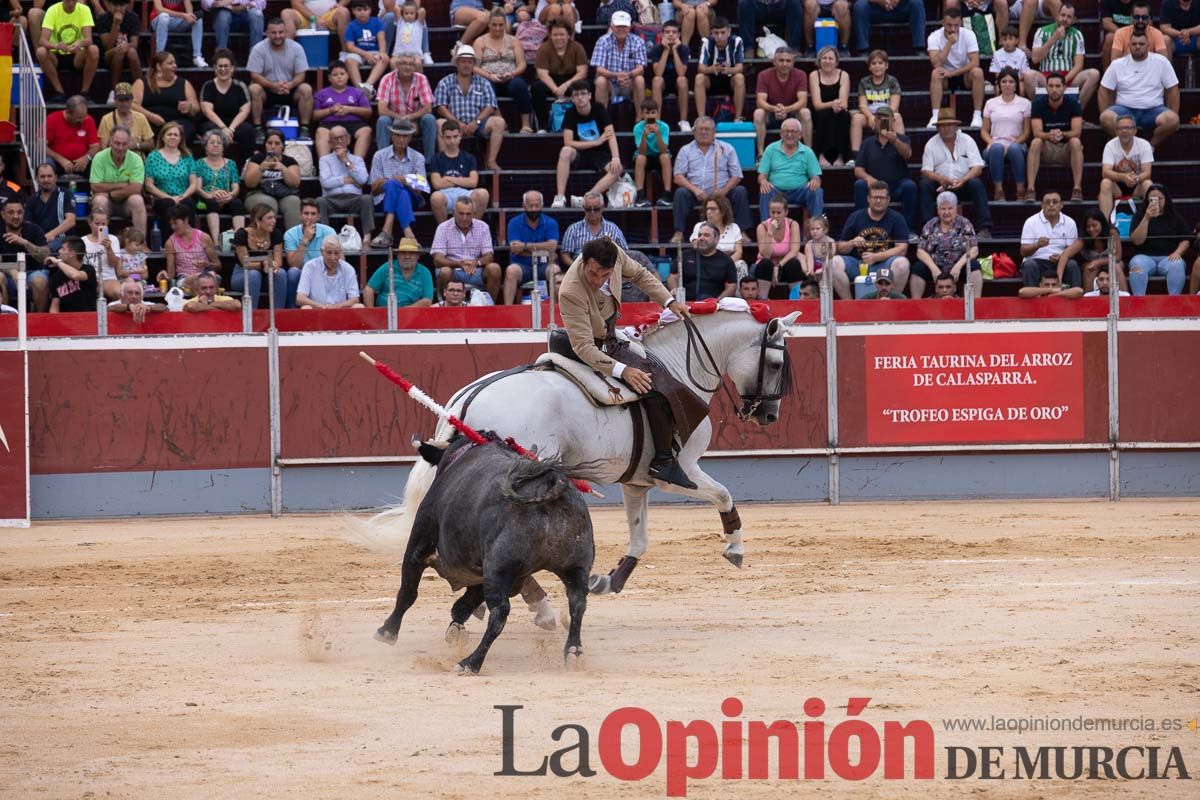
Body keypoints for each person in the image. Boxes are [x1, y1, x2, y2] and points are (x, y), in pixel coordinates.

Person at [557, 237, 695, 487]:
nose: (597, 279)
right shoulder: (570, 290)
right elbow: (583, 346)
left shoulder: (616, 253)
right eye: (592, 272)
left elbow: (641, 276)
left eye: (604, 274)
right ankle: (662, 462)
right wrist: (624, 371)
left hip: (609, 338)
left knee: (660, 373)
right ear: (584, 261)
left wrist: (669, 301)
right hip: (593, 348)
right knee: (652, 386)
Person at [670, 116, 753, 244]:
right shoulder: (685, 150)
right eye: (700, 129)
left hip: (721, 194)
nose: (704, 132)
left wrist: (724, 191)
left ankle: (742, 233)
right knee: (680, 193)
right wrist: (695, 190)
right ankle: (678, 233)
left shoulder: (726, 148)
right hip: (696, 193)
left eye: (707, 129)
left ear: (714, 132)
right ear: (694, 132)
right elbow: (678, 176)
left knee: (740, 191)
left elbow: (737, 175)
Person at [1098, 31, 1180, 147]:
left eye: (1141, 44)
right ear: (1129, 46)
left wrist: (1173, 112)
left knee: (1173, 120)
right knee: (1105, 117)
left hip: (1154, 110)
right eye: (1134, 44)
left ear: (1148, 45)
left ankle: (1150, 147)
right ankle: (1131, 147)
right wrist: (1105, 110)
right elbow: (1103, 90)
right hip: (1124, 110)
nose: (1137, 47)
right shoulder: (1117, 64)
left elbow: (1173, 89)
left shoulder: (1161, 62)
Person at [831, 180, 911, 299]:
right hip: (858, 264)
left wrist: (876, 257)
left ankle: (892, 301)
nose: (878, 201)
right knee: (833, 263)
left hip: (884, 265)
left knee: (903, 264)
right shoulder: (856, 217)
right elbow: (841, 247)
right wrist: (852, 242)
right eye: (875, 197)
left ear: (888, 199)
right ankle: (849, 304)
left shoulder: (897, 218)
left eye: (882, 197)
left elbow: (902, 249)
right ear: (868, 198)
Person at [919, 108, 992, 239]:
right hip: (941, 186)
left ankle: (984, 228)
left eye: (949, 125)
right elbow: (925, 170)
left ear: (955, 126)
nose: (946, 128)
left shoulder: (967, 140)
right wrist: (940, 178)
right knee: (925, 184)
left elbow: (977, 167)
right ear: (938, 128)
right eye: (943, 125)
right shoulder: (931, 144)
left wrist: (963, 179)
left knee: (976, 184)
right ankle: (928, 229)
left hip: (963, 184)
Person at [433, 45, 506, 171]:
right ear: (457, 63)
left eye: (469, 62)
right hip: (454, 123)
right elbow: (440, 107)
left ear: (473, 64)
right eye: (463, 61)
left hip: (478, 123)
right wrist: (456, 122)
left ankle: (491, 161)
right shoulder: (445, 82)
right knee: (439, 123)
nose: (466, 65)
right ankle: (445, 163)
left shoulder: (483, 82)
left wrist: (476, 122)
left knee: (499, 122)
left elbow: (491, 105)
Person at [551, 80, 622, 208]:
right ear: (572, 98)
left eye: (583, 94)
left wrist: (615, 157)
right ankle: (560, 198)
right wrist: (596, 142)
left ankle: (587, 198)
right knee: (565, 151)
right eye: (576, 95)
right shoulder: (570, 113)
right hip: (580, 154)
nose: (580, 98)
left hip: (600, 154)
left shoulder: (599, 109)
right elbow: (568, 142)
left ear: (590, 95)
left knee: (617, 168)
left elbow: (610, 134)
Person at [247, 17, 314, 140]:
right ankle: (258, 128)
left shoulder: (296, 47)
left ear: (286, 32)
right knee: (254, 88)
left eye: (281, 32)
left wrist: (290, 85)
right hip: (267, 90)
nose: (278, 36)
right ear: (267, 33)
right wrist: (274, 86)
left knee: (306, 89)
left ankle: (304, 128)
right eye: (273, 33)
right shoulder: (258, 48)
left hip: (290, 89)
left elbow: (301, 75)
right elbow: (255, 75)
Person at [1026, 2, 1100, 110]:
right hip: (1046, 77)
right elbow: (1035, 59)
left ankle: (1077, 113)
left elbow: (1079, 65)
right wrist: (1053, 39)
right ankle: (1040, 112)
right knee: (1029, 75)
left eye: (1069, 17)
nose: (1065, 19)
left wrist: (1063, 80)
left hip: (1068, 77)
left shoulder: (1077, 34)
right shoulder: (1041, 31)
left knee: (1094, 74)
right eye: (1063, 15)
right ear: (1057, 15)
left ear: (1074, 19)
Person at [852, 106, 915, 230]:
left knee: (910, 186)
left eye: (886, 118)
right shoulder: (867, 143)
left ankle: (908, 229)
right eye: (879, 118)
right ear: (875, 121)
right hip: (874, 186)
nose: (882, 121)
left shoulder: (902, 139)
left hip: (896, 186)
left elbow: (908, 154)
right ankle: (860, 228)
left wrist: (895, 141)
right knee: (860, 185)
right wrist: (868, 178)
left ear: (893, 121)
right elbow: (858, 169)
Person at [368, 119, 427, 248]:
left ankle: (386, 231)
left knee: (400, 188)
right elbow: (374, 188)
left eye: (405, 136)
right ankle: (410, 235)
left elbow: (420, 189)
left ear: (410, 137)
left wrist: (404, 180)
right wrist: (392, 182)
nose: (401, 139)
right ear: (392, 136)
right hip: (383, 199)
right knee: (398, 190)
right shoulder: (379, 156)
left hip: (413, 199)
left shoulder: (418, 157)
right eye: (398, 135)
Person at [1025, 73, 1083, 202]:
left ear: (1064, 88)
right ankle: (1030, 189)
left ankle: (1077, 188)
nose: (1054, 90)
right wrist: (1049, 135)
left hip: (1066, 149)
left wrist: (1062, 134)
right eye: (1051, 86)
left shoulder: (1073, 103)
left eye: (1058, 86)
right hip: (1047, 148)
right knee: (1035, 142)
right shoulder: (1038, 103)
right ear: (1046, 87)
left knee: (1075, 141)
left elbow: (1077, 131)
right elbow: (1037, 132)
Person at [474, 8, 534, 133]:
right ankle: (501, 122)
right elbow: (475, 67)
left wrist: (512, 73)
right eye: (494, 25)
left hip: (510, 77)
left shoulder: (513, 41)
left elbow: (522, 64)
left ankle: (526, 124)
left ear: (505, 24)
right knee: (485, 86)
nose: (497, 28)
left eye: (501, 25)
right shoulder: (480, 42)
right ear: (489, 24)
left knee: (520, 84)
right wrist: (489, 76)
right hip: (489, 78)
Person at [430, 195, 501, 300]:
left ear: (474, 214)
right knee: (445, 271)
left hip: (476, 270)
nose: (465, 218)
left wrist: (476, 262)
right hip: (453, 270)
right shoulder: (443, 228)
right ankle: (444, 306)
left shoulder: (483, 227)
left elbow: (489, 257)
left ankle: (489, 307)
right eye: (461, 213)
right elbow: (437, 260)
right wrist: (458, 263)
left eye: (468, 214)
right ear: (454, 212)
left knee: (494, 269)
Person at [915, 191, 981, 299]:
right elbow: (920, 251)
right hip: (935, 265)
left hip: (958, 265)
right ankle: (915, 305)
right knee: (918, 268)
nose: (946, 212)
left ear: (956, 209)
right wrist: (933, 268)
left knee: (974, 266)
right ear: (938, 210)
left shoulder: (965, 223)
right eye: (943, 209)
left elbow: (974, 249)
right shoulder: (930, 225)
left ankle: (975, 304)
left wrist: (958, 266)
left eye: (950, 208)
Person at [927, 7, 984, 130]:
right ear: (943, 23)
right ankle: (935, 116)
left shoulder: (969, 34)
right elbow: (936, 63)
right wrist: (949, 44)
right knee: (935, 73)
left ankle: (977, 116)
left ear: (961, 23)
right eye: (949, 25)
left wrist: (953, 73)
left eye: (956, 25)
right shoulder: (934, 37)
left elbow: (975, 62)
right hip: (944, 76)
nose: (953, 29)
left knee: (978, 72)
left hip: (964, 74)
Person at [1128, 184, 1189, 295]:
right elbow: (1137, 240)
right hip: (1144, 257)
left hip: (1168, 257)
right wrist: (1146, 218)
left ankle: (1174, 302)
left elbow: (1185, 238)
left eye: (1159, 199)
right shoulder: (1140, 216)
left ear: (1165, 199)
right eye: (1151, 199)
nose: (1156, 202)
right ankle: (1138, 302)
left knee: (1178, 265)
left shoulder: (1174, 216)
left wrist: (1178, 252)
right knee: (1136, 266)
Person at [233, 204, 299, 308]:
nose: (274, 221)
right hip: (243, 275)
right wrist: (263, 263)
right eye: (269, 218)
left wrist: (271, 265)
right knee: (254, 274)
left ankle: (278, 315)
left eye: (274, 218)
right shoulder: (241, 235)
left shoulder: (276, 234)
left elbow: (278, 262)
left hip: (267, 275)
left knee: (280, 273)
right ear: (257, 220)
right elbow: (245, 263)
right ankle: (251, 316)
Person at [757, 117, 823, 220]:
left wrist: (815, 181)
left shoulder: (807, 152)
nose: (789, 134)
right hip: (776, 191)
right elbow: (762, 175)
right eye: (786, 131)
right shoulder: (771, 149)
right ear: (781, 133)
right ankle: (766, 229)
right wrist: (763, 181)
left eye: (793, 131)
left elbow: (816, 177)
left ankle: (817, 226)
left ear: (800, 135)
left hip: (799, 192)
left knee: (816, 190)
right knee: (765, 190)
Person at [35, 0, 100, 103]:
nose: (71, 4)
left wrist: (80, 43)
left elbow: (89, 39)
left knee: (93, 49)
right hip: (56, 54)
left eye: (74, 1)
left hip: (77, 54)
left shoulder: (84, 9)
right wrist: (56, 45)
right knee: (41, 52)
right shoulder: (53, 10)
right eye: (68, 1)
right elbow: (42, 40)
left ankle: (85, 92)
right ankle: (59, 91)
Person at [981, 67, 1031, 202]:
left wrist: (1014, 143)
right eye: (1004, 82)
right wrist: (991, 143)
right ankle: (998, 190)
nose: (1007, 85)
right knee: (997, 148)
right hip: (995, 145)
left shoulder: (1025, 103)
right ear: (999, 85)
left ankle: (1020, 189)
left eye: (1011, 82)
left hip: (1017, 144)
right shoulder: (990, 103)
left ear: (1016, 85)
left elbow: (1027, 131)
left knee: (1015, 149)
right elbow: (984, 130)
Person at [317, 125, 376, 238]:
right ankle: (324, 239)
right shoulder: (324, 160)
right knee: (320, 201)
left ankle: (367, 239)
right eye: (335, 138)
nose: (339, 141)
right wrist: (346, 180)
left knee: (367, 199)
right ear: (330, 142)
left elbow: (363, 180)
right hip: (332, 199)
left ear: (348, 139)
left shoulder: (357, 160)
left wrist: (346, 161)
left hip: (353, 198)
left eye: (342, 137)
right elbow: (325, 182)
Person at [199, 49, 257, 162]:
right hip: (214, 123)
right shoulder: (208, 86)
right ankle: (209, 167)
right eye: (219, 66)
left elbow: (244, 111)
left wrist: (230, 128)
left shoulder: (240, 86)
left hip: (235, 123)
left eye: (226, 66)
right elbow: (207, 111)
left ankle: (245, 167)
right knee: (209, 130)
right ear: (215, 68)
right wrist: (223, 128)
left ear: (232, 68)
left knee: (248, 130)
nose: (223, 69)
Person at [89, 126, 148, 237]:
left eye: (124, 144)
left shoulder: (136, 159)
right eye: (117, 143)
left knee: (137, 200)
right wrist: (123, 185)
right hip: (106, 202)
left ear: (129, 143)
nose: (120, 148)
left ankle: (140, 244)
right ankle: (102, 242)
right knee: (99, 201)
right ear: (110, 142)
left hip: (126, 203)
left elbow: (136, 188)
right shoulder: (99, 157)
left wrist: (112, 194)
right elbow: (95, 187)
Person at [375, 53, 437, 157]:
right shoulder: (387, 79)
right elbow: (382, 109)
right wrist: (402, 119)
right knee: (382, 121)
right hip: (394, 121)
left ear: (415, 67)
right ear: (397, 65)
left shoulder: (421, 79)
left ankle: (429, 162)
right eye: (403, 63)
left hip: (416, 122)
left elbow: (428, 108)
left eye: (410, 64)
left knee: (429, 119)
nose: (407, 67)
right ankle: (383, 159)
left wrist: (409, 119)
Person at [753, 48, 811, 157]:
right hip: (771, 113)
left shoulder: (800, 75)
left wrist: (785, 109)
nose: (785, 64)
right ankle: (761, 154)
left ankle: (808, 153)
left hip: (792, 113)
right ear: (774, 62)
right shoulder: (764, 75)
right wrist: (775, 109)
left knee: (805, 112)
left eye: (788, 61)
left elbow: (803, 101)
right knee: (758, 113)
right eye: (781, 60)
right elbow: (760, 102)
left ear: (793, 63)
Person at [428, 120, 489, 224]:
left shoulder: (469, 158)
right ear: (442, 137)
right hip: (445, 195)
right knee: (436, 197)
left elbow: (473, 182)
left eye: (455, 137)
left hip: (465, 193)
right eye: (448, 137)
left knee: (483, 193)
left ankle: (471, 230)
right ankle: (445, 232)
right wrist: (463, 180)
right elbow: (437, 184)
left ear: (460, 136)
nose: (452, 140)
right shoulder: (436, 159)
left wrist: (448, 179)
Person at [533, 19, 589, 131]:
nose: (559, 38)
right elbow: (542, 74)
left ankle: (585, 121)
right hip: (550, 80)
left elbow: (582, 72)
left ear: (568, 35)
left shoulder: (577, 47)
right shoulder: (544, 48)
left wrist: (565, 86)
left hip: (571, 80)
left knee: (586, 86)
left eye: (562, 34)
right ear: (550, 35)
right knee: (536, 88)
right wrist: (556, 90)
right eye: (555, 35)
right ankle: (543, 125)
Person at [590, 11, 647, 119]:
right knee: (600, 80)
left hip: (630, 82)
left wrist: (628, 75)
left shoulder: (638, 41)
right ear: (612, 26)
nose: (621, 29)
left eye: (624, 26)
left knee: (639, 79)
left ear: (630, 27)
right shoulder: (603, 41)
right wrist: (616, 75)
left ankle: (640, 119)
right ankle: (602, 120)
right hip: (610, 83)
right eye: (618, 26)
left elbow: (641, 68)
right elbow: (599, 69)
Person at [505, 190, 559, 304]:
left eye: (537, 205)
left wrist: (525, 246)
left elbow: (552, 246)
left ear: (542, 205)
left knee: (555, 270)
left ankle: (556, 309)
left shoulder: (550, 222)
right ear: (523, 206)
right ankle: (507, 309)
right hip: (521, 266)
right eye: (530, 206)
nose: (534, 209)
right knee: (511, 271)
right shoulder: (514, 222)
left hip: (544, 265)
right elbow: (515, 249)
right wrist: (544, 249)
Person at [144, 121, 199, 233]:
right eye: (169, 134)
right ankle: (167, 243)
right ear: (163, 137)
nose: (172, 137)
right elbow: (149, 185)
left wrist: (182, 196)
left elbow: (193, 184)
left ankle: (189, 239)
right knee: (167, 204)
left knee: (189, 203)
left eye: (176, 135)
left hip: (183, 196)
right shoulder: (153, 156)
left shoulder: (187, 156)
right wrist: (168, 197)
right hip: (162, 198)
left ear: (180, 138)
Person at [133, 52, 200, 144]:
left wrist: (189, 107)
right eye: (170, 63)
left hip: (178, 123)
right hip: (150, 122)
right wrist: (150, 116)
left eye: (175, 63)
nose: (175, 66)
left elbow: (196, 107)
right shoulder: (142, 83)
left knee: (184, 130)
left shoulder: (184, 83)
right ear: (159, 66)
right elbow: (133, 105)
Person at [1019, 191, 1082, 288]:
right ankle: (1033, 299)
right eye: (1047, 202)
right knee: (1029, 265)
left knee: (1072, 265)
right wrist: (1037, 245)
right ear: (1042, 205)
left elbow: (1072, 251)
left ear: (1061, 205)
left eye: (1055, 202)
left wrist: (1062, 256)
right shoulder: (1031, 222)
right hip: (1037, 261)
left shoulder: (1070, 223)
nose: (1051, 205)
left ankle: (1074, 299)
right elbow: (1023, 252)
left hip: (1060, 262)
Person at [243, 130, 302, 231]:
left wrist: (283, 169)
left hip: (284, 193)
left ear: (283, 145)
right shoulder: (256, 159)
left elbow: (295, 183)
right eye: (269, 143)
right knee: (268, 204)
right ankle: (268, 241)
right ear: (265, 145)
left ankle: (294, 243)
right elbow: (249, 183)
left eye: (277, 143)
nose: (273, 146)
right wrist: (261, 168)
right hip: (258, 193)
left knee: (294, 202)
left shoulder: (289, 161)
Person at [314, 61, 374, 160]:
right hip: (329, 124)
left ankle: (357, 165)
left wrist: (350, 109)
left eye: (342, 74)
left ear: (348, 76)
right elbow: (315, 115)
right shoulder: (321, 94)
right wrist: (330, 110)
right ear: (329, 78)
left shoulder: (357, 92)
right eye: (335, 75)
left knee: (366, 131)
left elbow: (368, 112)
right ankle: (324, 165)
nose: (339, 77)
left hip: (354, 123)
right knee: (321, 132)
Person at [194, 131, 246, 246]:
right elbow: (197, 188)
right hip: (207, 198)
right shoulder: (199, 163)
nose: (215, 145)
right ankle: (216, 242)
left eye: (219, 143)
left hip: (226, 198)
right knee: (211, 203)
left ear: (224, 147)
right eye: (212, 142)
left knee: (237, 203)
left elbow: (236, 186)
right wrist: (211, 195)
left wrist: (230, 195)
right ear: (205, 147)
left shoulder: (231, 164)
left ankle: (239, 241)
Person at [0, 198, 51, 312]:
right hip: (8, 277)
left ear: (24, 213)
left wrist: (25, 243)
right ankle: (3, 319)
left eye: (19, 212)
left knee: (39, 281)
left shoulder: (34, 229)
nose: (16, 216)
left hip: (33, 271)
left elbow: (45, 257)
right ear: (3, 215)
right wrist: (12, 269)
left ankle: (38, 320)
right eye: (11, 212)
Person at [1098, 114, 1153, 217]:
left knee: (1148, 184)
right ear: (1116, 131)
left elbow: (1147, 173)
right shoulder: (1110, 145)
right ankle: (1105, 225)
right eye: (1121, 128)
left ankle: (1153, 222)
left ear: (1135, 130)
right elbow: (1105, 172)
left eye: (1128, 128)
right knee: (1105, 183)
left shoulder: (1144, 144)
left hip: (1137, 185)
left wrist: (1135, 179)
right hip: (1117, 187)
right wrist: (1124, 177)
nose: (1124, 131)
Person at [851, 50, 904, 155]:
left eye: (880, 63)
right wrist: (871, 117)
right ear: (869, 67)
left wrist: (883, 118)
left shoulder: (892, 81)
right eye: (874, 63)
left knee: (897, 116)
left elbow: (894, 106)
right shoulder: (864, 82)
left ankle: (901, 150)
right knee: (857, 118)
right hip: (870, 117)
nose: (877, 66)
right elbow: (862, 105)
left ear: (886, 65)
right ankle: (855, 155)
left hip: (887, 116)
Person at [694, 17, 745, 124]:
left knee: (740, 77)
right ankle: (701, 119)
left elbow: (740, 67)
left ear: (729, 32)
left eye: (723, 32)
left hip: (729, 79)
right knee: (699, 78)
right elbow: (700, 67)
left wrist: (729, 69)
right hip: (712, 79)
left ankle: (738, 118)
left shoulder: (736, 41)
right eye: (716, 33)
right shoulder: (706, 41)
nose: (720, 36)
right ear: (712, 33)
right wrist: (711, 69)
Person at [559, 191, 627, 269]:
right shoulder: (573, 229)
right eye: (588, 209)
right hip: (581, 271)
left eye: (596, 209)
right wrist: (576, 269)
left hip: (608, 271)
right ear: (583, 208)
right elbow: (564, 255)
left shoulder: (613, 229)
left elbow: (624, 253)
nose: (592, 212)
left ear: (602, 208)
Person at [161, 205, 220, 293]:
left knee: (209, 277)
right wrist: (164, 274)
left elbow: (218, 265)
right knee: (205, 278)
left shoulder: (204, 237)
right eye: (171, 224)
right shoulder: (170, 243)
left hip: (207, 277)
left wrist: (207, 264)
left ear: (186, 220)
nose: (173, 227)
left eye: (176, 223)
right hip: (185, 280)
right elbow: (171, 274)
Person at [754, 194, 805, 299]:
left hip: (784, 264)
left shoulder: (793, 224)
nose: (775, 216)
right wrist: (770, 233)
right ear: (769, 212)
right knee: (765, 263)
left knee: (794, 263)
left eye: (779, 212)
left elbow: (794, 251)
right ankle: (763, 300)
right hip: (767, 267)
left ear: (786, 212)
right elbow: (766, 254)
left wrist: (778, 266)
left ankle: (796, 299)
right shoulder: (762, 227)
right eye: (773, 212)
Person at [808, 47, 852, 166]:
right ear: (819, 60)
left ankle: (840, 156)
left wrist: (837, 106)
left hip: (838, 109)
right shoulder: (814, 75)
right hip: (820, 111)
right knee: (824, 114)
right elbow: (817, 105)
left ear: (836, 61)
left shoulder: (843, 75)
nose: (827, 61)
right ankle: (822, 155)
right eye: (824, 58)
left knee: (843, 115)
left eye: (831, 58)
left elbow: (844, 103)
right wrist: (832, 104)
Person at [363, 236, 434, 307]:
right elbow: (368, 289)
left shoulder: (425, 272)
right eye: (403, 253)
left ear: (418, 256)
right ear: (398, 255)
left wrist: (405, 312)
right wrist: (371, 314)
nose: (407, 256)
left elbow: (427, 300)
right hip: (384, 314)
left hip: (412, 315)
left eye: (411, 253)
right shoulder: (388, 266)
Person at [296, 237, 365, 309]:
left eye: (336, 253)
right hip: (317, 311)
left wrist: (335, 307)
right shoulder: (310, 267)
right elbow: (300, 298)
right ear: (322, 252)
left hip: (341, 312)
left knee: (359, 306)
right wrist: (322, 307)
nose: (333, 257)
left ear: (341, 252)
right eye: (329, 253)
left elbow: (355, 299)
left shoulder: (348, 269)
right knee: (306, 308)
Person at [27, 163, 77, 254]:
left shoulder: (66, 194)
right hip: (40, 242)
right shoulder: (32, 199)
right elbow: (28, 224)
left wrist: (51, 235)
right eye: (42, 176)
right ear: (37, 179)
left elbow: (71, 221)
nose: (46, 179)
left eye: (49, 176)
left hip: (63, 241)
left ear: (56, 177)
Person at [679, 222, 737, 300]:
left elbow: (731, 287)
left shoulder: (726, 261)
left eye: (706, 235)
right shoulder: (685, 255)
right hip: (687, 304)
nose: (701, 238)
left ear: (716, 239)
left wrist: (718, 301)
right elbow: (673, 277)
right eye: (700, 235)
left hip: (715, 306)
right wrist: (677, 293)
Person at [648, 20, 691, 127]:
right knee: (657, 80)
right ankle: (656, 122)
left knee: (682, 80)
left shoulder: (684, 49)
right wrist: (666, 50)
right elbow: (658, 73)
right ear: (662, 34)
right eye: (667, 32)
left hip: (678, 85)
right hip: (663, 85)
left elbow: (681, 72)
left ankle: (683, 121)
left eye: (674, 32)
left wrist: (675, 51)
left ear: (679, 35)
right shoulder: (657, 49)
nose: (671, 34)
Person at [633, 99, 674, 208]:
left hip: (659, 156)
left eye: (653, 112)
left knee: (665, 157)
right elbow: (641, 151)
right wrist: (645, 136)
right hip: (645, 156)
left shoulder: (664, 127)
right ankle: (640, 196)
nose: (650, 116)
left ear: (657, 113)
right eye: (647, 113)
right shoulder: (638, 127)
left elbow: (664, 150)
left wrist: (658, 134)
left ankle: (667, 195)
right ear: (642, 114)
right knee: (640, 158)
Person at [46, 95, 100, 177]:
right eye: (78, 118)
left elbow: (95, 146)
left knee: (99, 164)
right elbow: (41, 145)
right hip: (58, 163)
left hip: (82, 164)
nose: (82, 120)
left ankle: (99, 189)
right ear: (68, 112)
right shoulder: (52, 119)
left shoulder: (88, 120)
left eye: (84, 116)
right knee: (47, 165)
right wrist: (61, 160)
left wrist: (86, 158)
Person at [342, 0, 389, 94]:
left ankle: (368, 86)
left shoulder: (377, 22)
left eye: (365, 9)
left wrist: (382, 53)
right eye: (359, 10)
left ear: (370, 10)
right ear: (353, 11)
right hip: (358, 52)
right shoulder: (351, 26)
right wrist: (365, 54)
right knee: (349, 61)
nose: (362, 12)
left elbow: (381, 39)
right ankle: (359, 88)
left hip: (373, 51)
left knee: (385, 58)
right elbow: (350, 47)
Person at [689, 194, 744, 271]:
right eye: (707, 209)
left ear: (723, 211)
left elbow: (739, 252)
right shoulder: (700, 226)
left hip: (728, 262)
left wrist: (725, 263)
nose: (708, 212)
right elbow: (696, 247)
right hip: (707, 262)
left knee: (741, 264)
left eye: (713, 209)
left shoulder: (734, 227)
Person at [94, 0, 142, 88]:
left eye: (122, 4)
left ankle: (141, 87)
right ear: (108, 4)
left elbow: (134, 44)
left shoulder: (133, 17)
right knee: (119, 52)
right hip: (107, 54)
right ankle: (114, 90)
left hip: (126, 51)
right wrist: (115, 24)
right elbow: (107, 46)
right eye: (115, 5)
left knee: (132, 52)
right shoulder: (102, 19)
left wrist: (125, 47)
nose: (118, 8)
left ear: (127, 4)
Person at [851, 0, 926, 56]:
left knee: (917, 3)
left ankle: (919, 48)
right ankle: (863, 50)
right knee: (860, 6)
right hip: (875, 9)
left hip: (900, 9)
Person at [1079, 209, 1128, 292]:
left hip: (1112, 260)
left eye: (1094, 225)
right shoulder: (1084, 236)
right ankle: (1088, 300)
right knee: (1089, 268)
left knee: (1116, 266)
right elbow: (1069, 254)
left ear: (1102, 223)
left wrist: (1099, 262)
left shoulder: (1112, 232)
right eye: (1088, 226)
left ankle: (1126, 299)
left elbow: (1118, 256)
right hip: (1091, 264)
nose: (1091, 229)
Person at [98, 83, 155, 154]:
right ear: (115, 100)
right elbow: (103, 148)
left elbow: (151, 144)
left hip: (136, 160)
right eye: (120, 100)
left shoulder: (141, 117)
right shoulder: (106, 119)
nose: (124, 103)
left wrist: (135, 145)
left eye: (126, 99)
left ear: (131, 100)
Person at [47, 237, 99, 313]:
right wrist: (54, 322)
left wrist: (57, 262)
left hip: (87, 318)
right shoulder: (57, 276)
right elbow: (55, 305)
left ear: (72, 254)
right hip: (65, 320)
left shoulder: (89, 270)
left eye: (63, 249)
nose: (59, 251)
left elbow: (75, 275)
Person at [81, 205, 121, 300]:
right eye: (97, 224)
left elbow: (114, 264)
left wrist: (108, 248)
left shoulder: (113, 239)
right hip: (89, 279)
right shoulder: (82, 241)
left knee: (119, 293)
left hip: (108, 279)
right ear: (90, 223)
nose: (100, 227)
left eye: (103, 224)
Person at [150, 0, 205, 68]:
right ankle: (160, 56)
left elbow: (189, 13)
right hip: (159, 21)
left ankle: (197, 56)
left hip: (176, 21)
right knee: (164, 16)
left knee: (197, 18)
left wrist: (188, 15)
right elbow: (159, 10)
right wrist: (183, 15)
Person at [285, 199, 337, 269]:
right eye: (306, 213)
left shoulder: (329, 232)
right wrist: (305, 239)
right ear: (300, 215)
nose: (309, 217)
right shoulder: (290, 234)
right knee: (293, 273)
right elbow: (294, 265)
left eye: (313, 214)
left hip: (324, 270)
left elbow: (340, 261)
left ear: (318, 217)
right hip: (302, 271)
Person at [281, 0, 351, 40]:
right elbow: (296, 3)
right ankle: (287, 54)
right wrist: (315, 18)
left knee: (343, 12)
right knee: (286, 14)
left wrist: (340, 4)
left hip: (329, 16)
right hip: (306, 18)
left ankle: (346, 55)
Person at [801, 214, 834, 281]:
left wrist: (823, 269)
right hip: (815, 269)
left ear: (825, 230)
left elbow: (829, 258)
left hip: (827, 269)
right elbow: (810, 260)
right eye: (812, 229)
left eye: (818, 229)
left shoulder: (831, 242)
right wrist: (811, 271)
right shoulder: (809, 244)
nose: (814, 231)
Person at [1018, 270, 1083, 298]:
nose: (1050, 287)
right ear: (1040, 285)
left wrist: (1056, 295)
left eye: (1054, 285)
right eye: (1046, 284)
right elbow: (1022, 292)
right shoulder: (1036, 294)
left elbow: (1079, 291)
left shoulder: (1064, 293)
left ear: (1059, 285)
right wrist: (1051, 290)